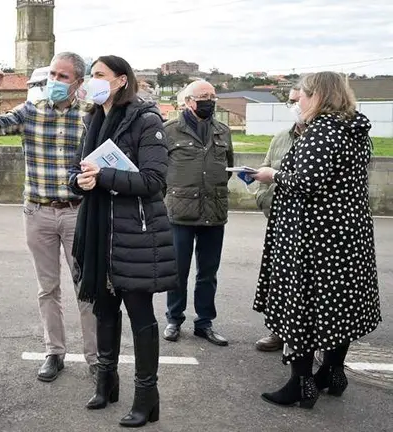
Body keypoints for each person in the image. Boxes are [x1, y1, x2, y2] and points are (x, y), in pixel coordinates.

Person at [251, 71, 381, 408]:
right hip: (347, 235)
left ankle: (301, 383)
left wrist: (272, 174)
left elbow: (307, 183)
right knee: (335, 307)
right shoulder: (356, 130)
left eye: (302, 95)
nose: (298, 100)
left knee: (303, 307)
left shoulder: (323, 131)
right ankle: (333, 374)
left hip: (313, 238)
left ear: (318, 96)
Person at [0, 52, 98, 381]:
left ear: (79, 83)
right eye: (52, 76)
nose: (55, 83)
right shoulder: (31, 110)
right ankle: (54, 352)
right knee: (48, 288)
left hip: (77, 213)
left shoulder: (90, 115)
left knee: (87, 288)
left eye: (63, 77)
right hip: (39, 212)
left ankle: (95, 358)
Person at [70, 55, 177, 428]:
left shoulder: (147, 120)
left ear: (120, 81)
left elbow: (153, 182)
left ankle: (147, 397)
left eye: (99, 75)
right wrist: (79, 181)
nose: (92, 80)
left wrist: (104, 176)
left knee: (140, 316)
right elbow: (80, 169)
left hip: (135, 232)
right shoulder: (93, 119)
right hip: (98, 230)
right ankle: (106, 382)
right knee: (104, 310)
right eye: (90, 75)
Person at [162, 80, 233, 347]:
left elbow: (228, 167)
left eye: (213, 96)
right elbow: (158, 173)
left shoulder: (223, 131)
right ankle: (174, 319)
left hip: (214, 212)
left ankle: (204, 323)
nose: (210, 101)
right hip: (180, 212)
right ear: (188, 101)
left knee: (208, 272)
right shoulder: (169, 131)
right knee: (177, 271)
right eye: (204, 96)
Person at [253, 86, 304, 352]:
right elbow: (264, 169)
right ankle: (278, 330)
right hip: (280, 221)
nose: (294, 106)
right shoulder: (281, 138)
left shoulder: (323, 138)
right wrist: (263, 199)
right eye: (291, 101)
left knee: (304, 284)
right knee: (279, 279)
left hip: (308, 226)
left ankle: (309, 338)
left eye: (298, 100)